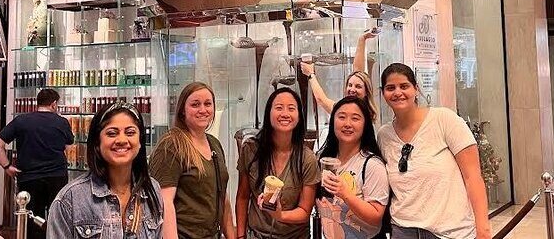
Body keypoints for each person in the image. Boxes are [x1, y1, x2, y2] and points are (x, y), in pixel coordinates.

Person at [377, 63, 491, 239]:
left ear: (416, 88)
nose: (398, 92)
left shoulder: (445, 119)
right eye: (390, 88)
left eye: (404, 86)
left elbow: (473, 177)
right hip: (402, 230)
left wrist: (483, 230)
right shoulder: (384, 135)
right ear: (383, 93)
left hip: (450, 232)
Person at [47, 101, 163, 238]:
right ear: (97, 142)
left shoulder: (152, 190)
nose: (122, 140)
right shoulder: (70, 200)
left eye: (130, 132)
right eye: (112, 133)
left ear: (140, 141)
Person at [149, 82, 236, 239]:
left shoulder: (214, 144)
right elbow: (164, 202)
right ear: (183, 110)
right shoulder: (172, 145)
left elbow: (222, 197)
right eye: (195, 104)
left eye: (207, 104)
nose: (203, 110)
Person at [236, 87, 320, 239]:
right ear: (269, 113)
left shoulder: (307, 159)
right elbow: (242, 197)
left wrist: (280, 215)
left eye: (291, 108)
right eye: (279, 108)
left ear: (299, 116)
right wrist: (241, 236)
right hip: (256, 235)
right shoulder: (251, 149)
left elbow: (304, 211)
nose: (285, 114)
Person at [0, 88, 74, 239]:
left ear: (38, 103)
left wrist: (7, 166)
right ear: (54, 104)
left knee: (31, 220)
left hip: (29, 178)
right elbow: (68, 146)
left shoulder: (21, 120)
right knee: (58, 219)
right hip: (56, 176)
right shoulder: (62, 122)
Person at [317, 96, 389, 239]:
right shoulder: (324, 159)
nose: (347, 124)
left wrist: (345, 194)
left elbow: (376, 217)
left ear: (365, 125)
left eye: (355, 118)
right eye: (341, 117)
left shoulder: (372, 165)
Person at [301, 30, 378, 122]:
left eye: (358, 86)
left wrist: (310, 74)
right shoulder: (365, 109)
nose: (352, 89)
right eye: (350, 85)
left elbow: (321, 100)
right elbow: (358, 71)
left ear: (366, 91)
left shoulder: (346, 111)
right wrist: (362, 39)